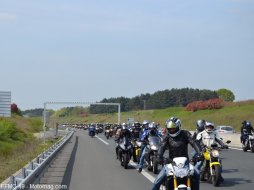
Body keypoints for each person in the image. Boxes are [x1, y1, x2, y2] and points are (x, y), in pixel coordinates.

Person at [151, 117, 202, 190]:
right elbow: (161, 147)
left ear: (178, 127)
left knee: (197, 174)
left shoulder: (185, 133)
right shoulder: (167, 136)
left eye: (173, 128)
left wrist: (199, 153)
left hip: (186, 164)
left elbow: (193, 143)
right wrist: (159, 157)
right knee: (156, 182)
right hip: (171, 164)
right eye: (170, 129)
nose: (172, 130)